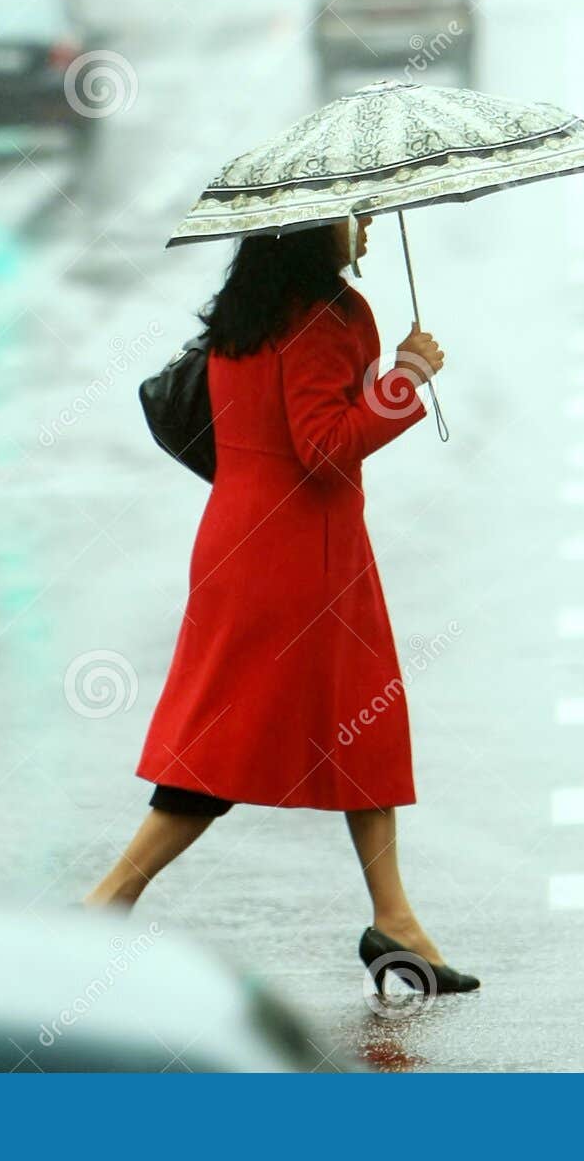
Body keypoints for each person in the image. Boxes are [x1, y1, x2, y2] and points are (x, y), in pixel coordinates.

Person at [86, 214, 478, 995]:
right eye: (351, 217)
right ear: (310, 231)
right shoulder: (330, 313)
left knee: (358, 727)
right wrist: (406, 376)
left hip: (243, 541)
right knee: (226, 746)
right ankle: (105, 900)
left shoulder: (246, 311)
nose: (365, 227)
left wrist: (382, 377)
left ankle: (394, 918)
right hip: (302, 557)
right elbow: (324, 444)